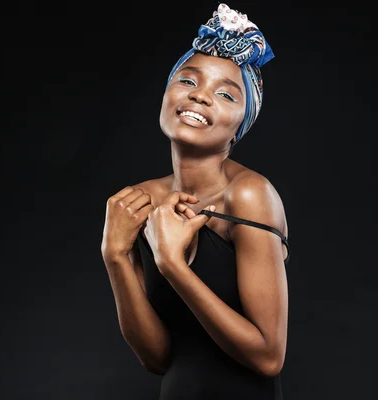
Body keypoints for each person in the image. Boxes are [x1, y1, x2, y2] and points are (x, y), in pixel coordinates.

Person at [100, 4, 290, 399]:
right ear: (168, 93)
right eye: (188, 80)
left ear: (240, 125)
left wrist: (172, 265)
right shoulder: (140, 201)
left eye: (225, 93)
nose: (200, 96)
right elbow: (158, 358)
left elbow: (269, 357)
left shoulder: (249, 194)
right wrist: (115, 256)